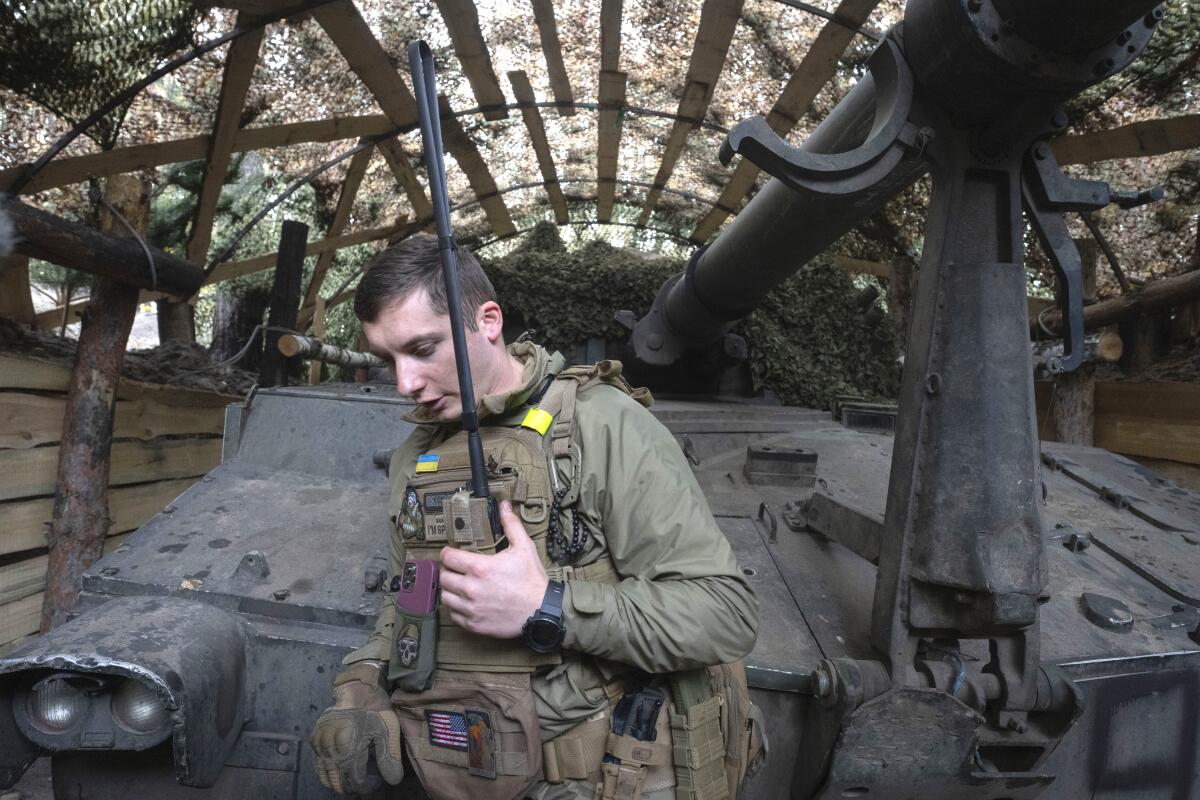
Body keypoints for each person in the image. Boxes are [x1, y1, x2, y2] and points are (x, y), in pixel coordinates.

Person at [309, 233, 760, 800]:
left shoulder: (602, 427)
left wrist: (548, 607)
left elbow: (726, 613)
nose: (404, 384)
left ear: (488, 321)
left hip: (597, 776)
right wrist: (361, 693)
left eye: (422, 349)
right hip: (458, 767)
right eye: (388, 359)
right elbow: (407, 602)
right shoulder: (416, 458)